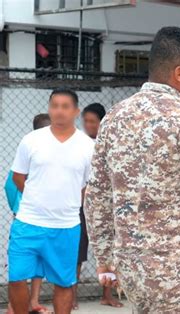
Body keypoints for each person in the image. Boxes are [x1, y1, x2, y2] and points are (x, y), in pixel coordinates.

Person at [84, 26, 180, 313]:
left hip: (132, 268)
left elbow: (96, 196)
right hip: (179, 271)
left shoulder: (114, 117)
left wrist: (105, 254)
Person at [8, 88, 95, 314]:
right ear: (49, 108)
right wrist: (38, 198)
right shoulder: (31, 140)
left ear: (75, 111)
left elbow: (87, 186)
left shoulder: (88, 146)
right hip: (28, 223)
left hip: (65, 226)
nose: (59, 111)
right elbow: (18, 176)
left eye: (65, 106)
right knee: (17, 278)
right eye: (54, 105)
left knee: (64, 283)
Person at [71, 102, 124, 310]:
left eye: (93, 121)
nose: (88, 125)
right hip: (80, 206)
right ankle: (72, 296)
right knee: (78, 253)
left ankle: (107, 294)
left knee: (109, 250)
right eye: (85, 121)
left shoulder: (110, 144)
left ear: (102, 122)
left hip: (107, 207)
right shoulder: (78, 143)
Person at [4, 113, 51, 314]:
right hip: (25, 217)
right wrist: (19, 207)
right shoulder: (27, 153)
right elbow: (11, 184)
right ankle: (13, 305)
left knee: (40, 260)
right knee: (20, 263)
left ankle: (33, 301)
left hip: (46, 218)